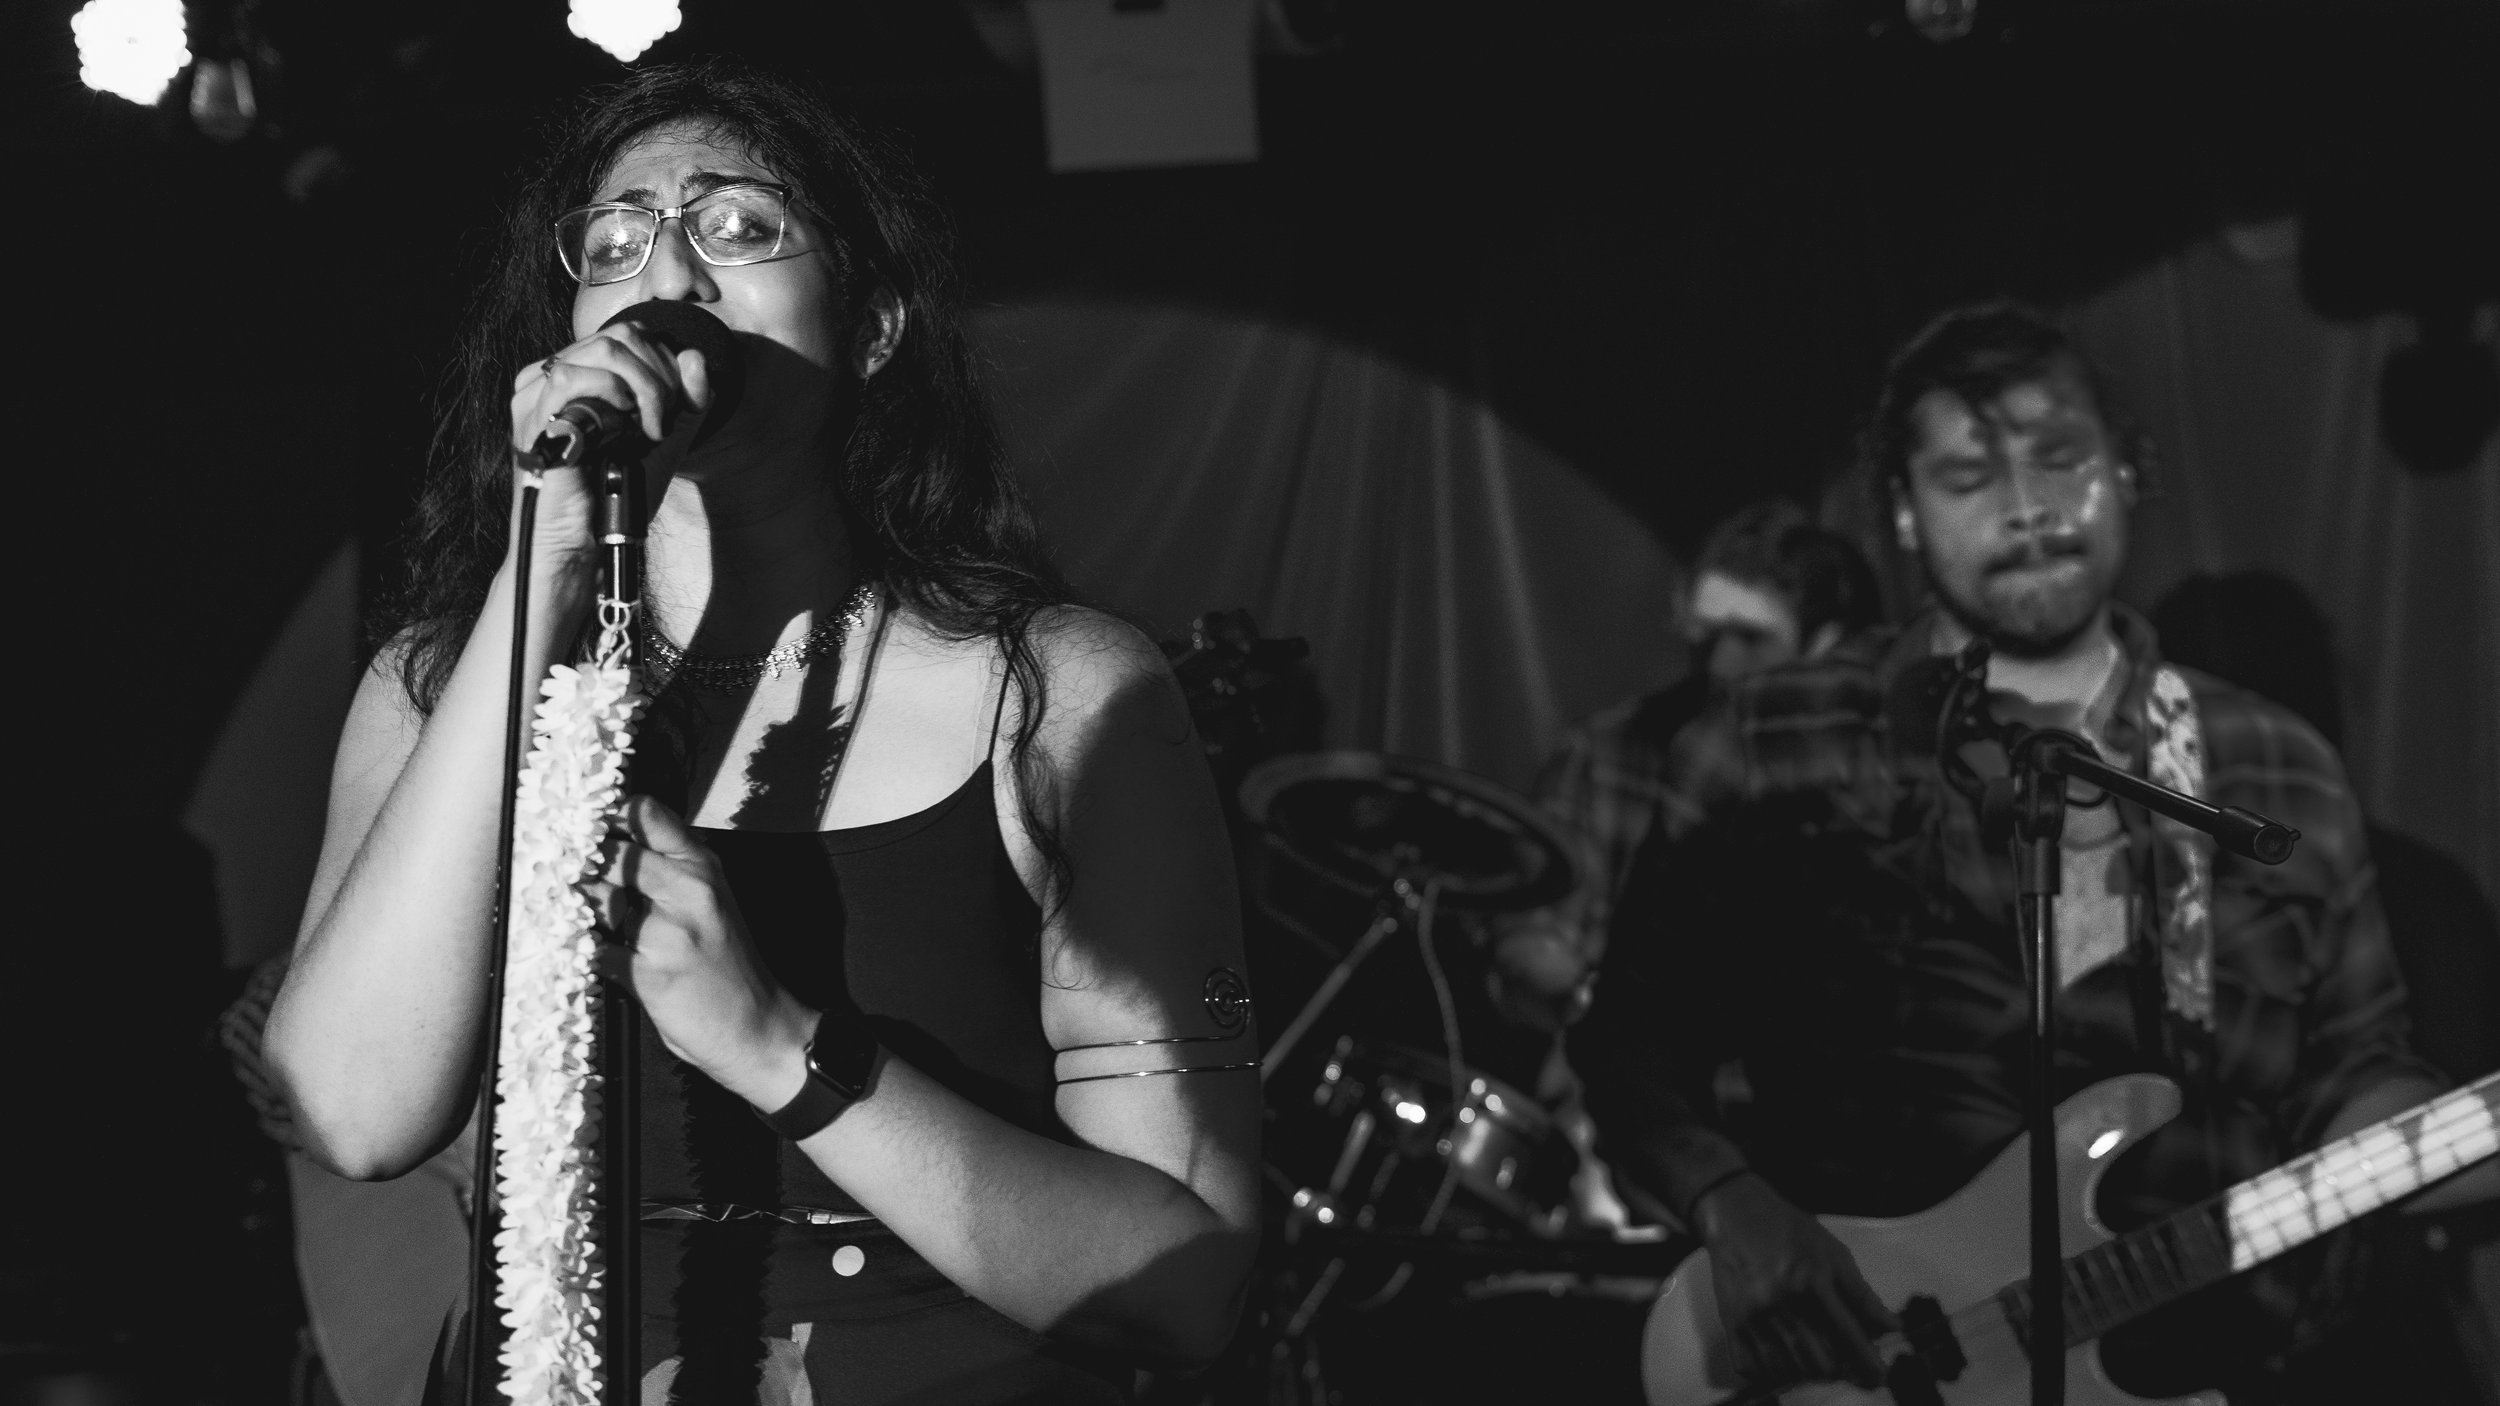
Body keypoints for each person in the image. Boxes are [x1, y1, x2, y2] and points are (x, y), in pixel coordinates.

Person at [263, 60, 1259, 1405]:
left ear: (876, 324)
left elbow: (1189, 1288)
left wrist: (775, 1043)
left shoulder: (1058, 690)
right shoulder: (443, 686)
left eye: (737, 227)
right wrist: (536, 561)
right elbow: (351, 1110)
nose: (664, 273)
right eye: (614, 243)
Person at [1571, 301, 2496, 1402]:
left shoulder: (2272, 766)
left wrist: (2443, 1135)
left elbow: (2350, 1068)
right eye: (1967, 478)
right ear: (1904, 517)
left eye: (2061, 458)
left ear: (2128, 469)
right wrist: (1731, 1201)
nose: (2025, 507)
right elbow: (1630, 1043)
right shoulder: (1773, 740)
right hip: (1868, 1360)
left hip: (2216, 1365)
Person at [1487, 500, 1881, 1034]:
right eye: (1705, 635)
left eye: (1750, 640)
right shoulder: (1608, 754)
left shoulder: (1881, 772)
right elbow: (1533, 938)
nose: (1720, 664)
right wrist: (1567, 983)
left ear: (1826, 644)